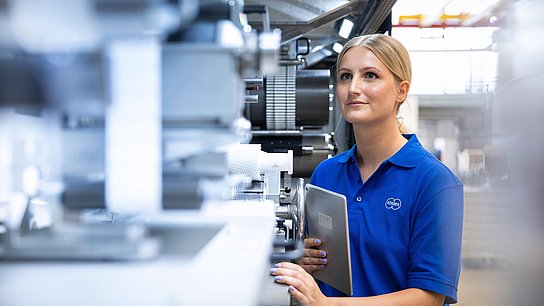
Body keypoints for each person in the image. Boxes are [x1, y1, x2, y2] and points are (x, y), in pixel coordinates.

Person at [269, 34, 464, 305]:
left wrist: (328, 304)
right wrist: (303, 260)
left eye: (370, 75)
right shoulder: (326, 173)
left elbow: (428, 297)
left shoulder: (435, 182)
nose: (353, 88)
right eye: (345, 76)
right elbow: (329, 264)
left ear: (401, 91)